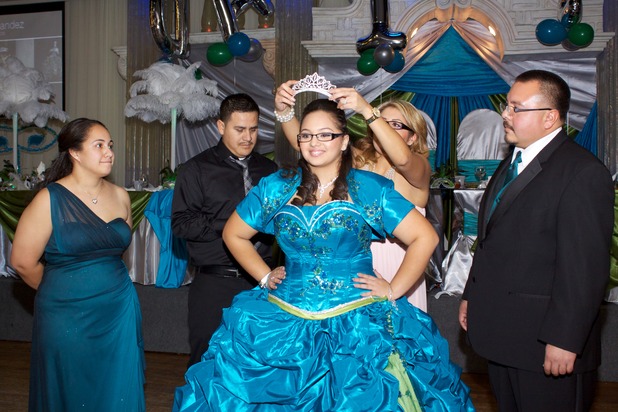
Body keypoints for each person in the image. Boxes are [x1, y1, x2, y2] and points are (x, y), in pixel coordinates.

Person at [173, 99, 474, 411]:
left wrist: (394, 289)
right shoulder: (278, 186)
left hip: (356, 322)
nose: (314, 143)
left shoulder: (367, 187)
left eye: (325, 135)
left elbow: (424, 236)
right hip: (285, 318)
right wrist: (263, 275)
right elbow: (233, 234)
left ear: (344, 140)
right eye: (306, 135)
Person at [458, 70, 614, 411]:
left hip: (545, 343)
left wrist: (564, 339)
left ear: (550, 117)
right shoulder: (512, 162)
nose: (505, 114)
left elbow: (584, 269)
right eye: (506, 105)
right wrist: (473, 295)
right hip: (504, 336)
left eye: (516, 107)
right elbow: (490, 242)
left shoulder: (582, 173)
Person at [10, 118, 145, 411]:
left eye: (110, 145)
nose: (109, 152)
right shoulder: (49, 199)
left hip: (117, 311)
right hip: (65, 314)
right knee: (70, 388)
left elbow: (118, 252)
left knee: (115, 387)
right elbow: (22, 262)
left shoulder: (121, 196)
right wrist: (61, 294)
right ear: (74, 152)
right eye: (99, 145)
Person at [275, 81, 432, 310]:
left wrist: (368, 110)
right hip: (359, 264)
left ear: (413, 137)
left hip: (402, 265)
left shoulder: (418, 168)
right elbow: (312, 147)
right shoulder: (360, 163)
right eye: (381, 122)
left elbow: (403, 159)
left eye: (395, 125)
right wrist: (284, 111)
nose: (383, 128)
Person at [171, 93, 278, 366]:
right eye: (239, 129)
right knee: (208, 362)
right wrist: (236, 226)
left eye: (253, 129)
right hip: (215, 283)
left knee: (260, 363)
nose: (248, 137)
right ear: (221, 127)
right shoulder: (195, 169)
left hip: (263, 282)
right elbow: (182, 224)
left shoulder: (269, 170)